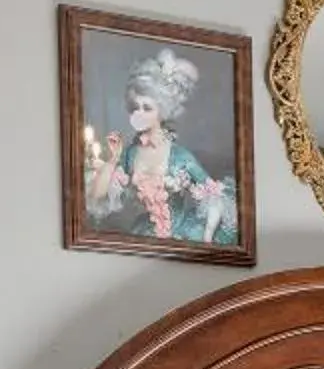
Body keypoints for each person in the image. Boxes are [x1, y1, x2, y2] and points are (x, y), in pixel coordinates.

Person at [85, 48, 233, 243]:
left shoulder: (181, 157)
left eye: (147, 108)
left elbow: (216, 200)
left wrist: (206, 239)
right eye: (134, 108)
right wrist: (113, 159)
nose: (139, 113)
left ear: (161, 111)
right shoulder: (130, 154)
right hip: (146, 234)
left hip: (185, 234)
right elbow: (97, 195)